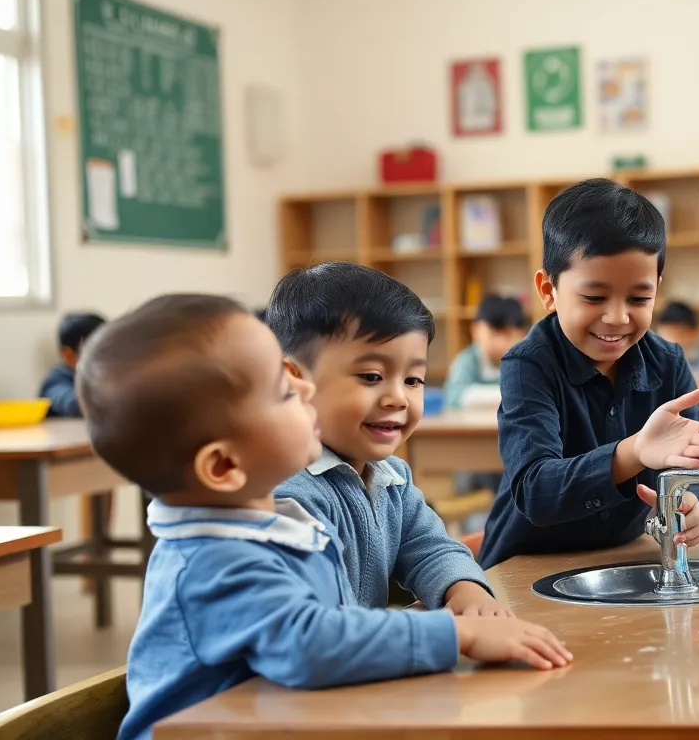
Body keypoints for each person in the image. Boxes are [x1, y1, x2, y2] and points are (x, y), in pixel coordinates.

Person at [76, 295, 570, 740]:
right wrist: (457, 634)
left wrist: (462, 589)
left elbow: (420, 548)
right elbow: (311, 641)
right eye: (284, 393)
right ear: (224, 466)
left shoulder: (272, 518)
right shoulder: (214, 560)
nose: (307, 392)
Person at [478, 179, 699, 569]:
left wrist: (698, 504)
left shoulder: (666, 362)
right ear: (548, 290)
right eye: (594, 297)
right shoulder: (528, 364)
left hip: (622, 560)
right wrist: (632, 453)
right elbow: (535, 491)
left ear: (657, 290)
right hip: (526, 570)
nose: (617, 317)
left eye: (638, 298)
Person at [270, 262, 505, 613]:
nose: (398, 398)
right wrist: (447, 633)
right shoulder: (289, 495)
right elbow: (319, 630)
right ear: (294, 381)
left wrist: (466, 590)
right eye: (371, 375)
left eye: (413, 380)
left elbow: (431, 548)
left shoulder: (391, 477)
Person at [444, 295, 528, 409]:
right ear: (475, 330)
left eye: (508, 335)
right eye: (493, 334)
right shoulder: (468, 360)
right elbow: (454, 397)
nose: (500, 343)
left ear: (523, 334)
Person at [39, 312, 106, 417]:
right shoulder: (57, 379)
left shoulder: (105, 377)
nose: (106, 358)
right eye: (98, 352)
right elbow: (73, 403)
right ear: (69, 355)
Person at [656, 301, 699, 384]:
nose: (672, 340)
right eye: (667, 333)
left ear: (695, 333)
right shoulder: (653, 354)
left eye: (679, 334)